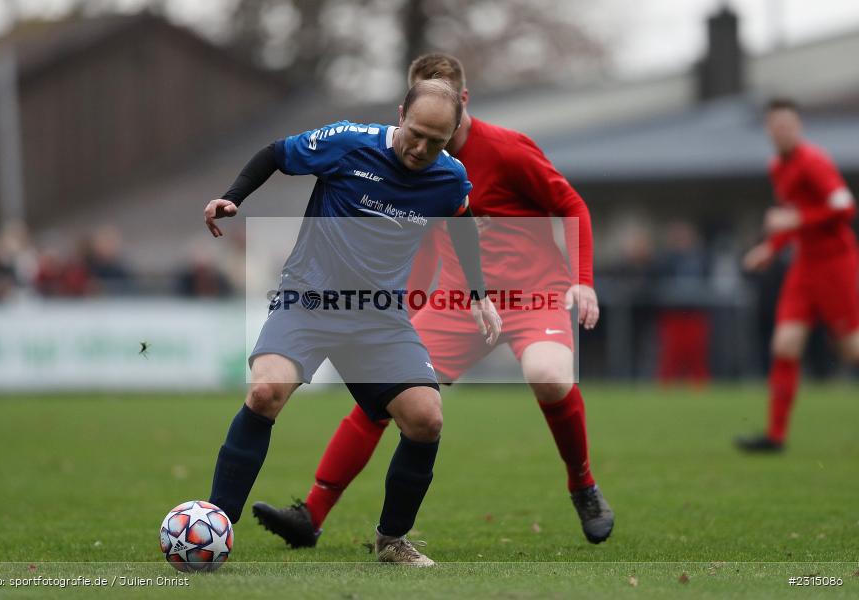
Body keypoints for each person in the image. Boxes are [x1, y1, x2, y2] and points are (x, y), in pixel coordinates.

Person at [253, 53, 614, 549]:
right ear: (407, 107)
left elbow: (570, 202)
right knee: (389, 395)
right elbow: (419, 241)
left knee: (550, 376)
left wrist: (583, 279)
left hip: (533, 294)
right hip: (458, 301)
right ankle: (310, 515)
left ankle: (583, 486)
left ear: (461, 101)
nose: (426, 132)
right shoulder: (408, 161)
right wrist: (408, 301)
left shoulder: (508, 151)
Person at [202, 78, 501, 566]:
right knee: (263, 393)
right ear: (400, 113)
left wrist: (479, 294)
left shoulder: (449, 177)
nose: (422, 148)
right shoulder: (347, 143)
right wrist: (233, 197)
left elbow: (463, 220)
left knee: (426, 419)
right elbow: (275, 153)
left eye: (437, 141)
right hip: (308, 300)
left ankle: (392, 542)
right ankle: (214, 524)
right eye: (417, 133)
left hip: (379, 318)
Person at [738, 98, 859, 452]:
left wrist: (797, 221)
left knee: (852, 349)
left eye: (788, 126)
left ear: (799, 127)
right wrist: (771, 248)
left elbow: (844, 207)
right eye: (776, 126)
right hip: (804, 265)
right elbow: (793, 216)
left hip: (835, 264)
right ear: (768, 130)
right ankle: (775, 436)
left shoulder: (814, 162)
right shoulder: (778, 166)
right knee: (784, 345)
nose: (782, 132)